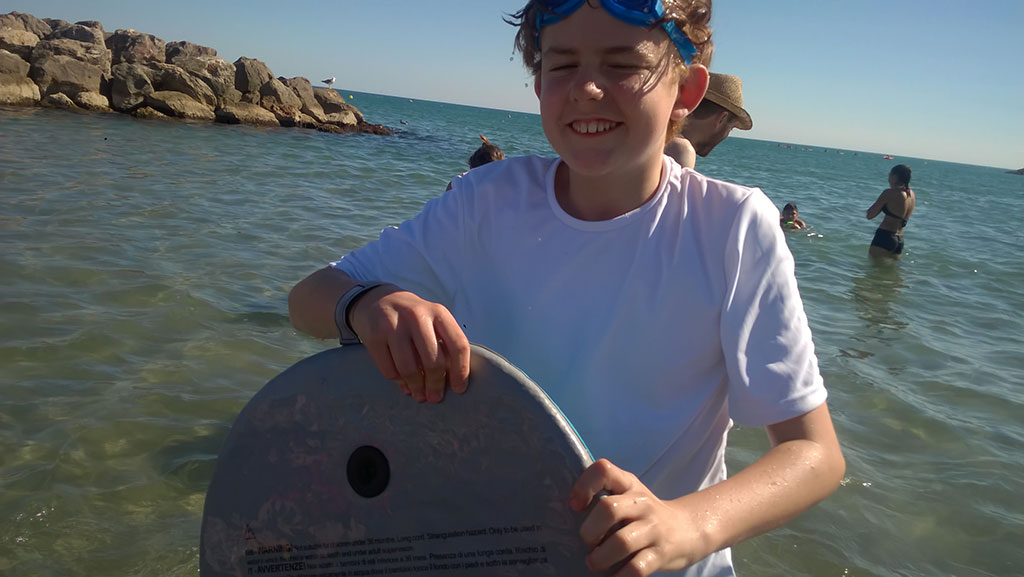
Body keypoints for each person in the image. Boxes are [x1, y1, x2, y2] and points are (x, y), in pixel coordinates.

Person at [289, 2, 845, 576]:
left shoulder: (731, 227)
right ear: (539, 84)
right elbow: (308, 298)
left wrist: (687, 524)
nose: (586, 88)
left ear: (686, 91)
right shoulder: (485, 202)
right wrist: (368, 304)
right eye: (562, 65)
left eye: (622, 64)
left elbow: (814, 453)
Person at [664, 72, 753, 168]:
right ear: (722, 119)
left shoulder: (660, 136)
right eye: (731, 128)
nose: (727, 135)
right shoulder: (680, 149)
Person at [866, 164, 915, 258]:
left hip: (885, 237)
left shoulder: (889, 193)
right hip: (899, 239)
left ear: (895, 176)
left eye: (890, 174)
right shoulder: (911, 195)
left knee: (873, 266)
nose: (888, 176)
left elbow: (870, 215)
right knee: (893, 267)